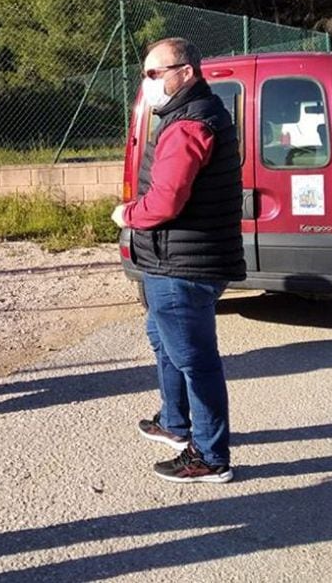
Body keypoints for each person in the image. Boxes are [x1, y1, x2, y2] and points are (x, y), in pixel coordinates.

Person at [112, 37, 245, 484]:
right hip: (173, 260)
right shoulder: (195, 113)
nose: (147, 82)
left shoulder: (189, 124)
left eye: (155, 73)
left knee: (196, 360)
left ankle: (209, 456)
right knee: (162, 338)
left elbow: (165, 200)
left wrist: (127, 214)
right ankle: (174, 422)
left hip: (182, 265)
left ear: (185, 72)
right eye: (145, 74)